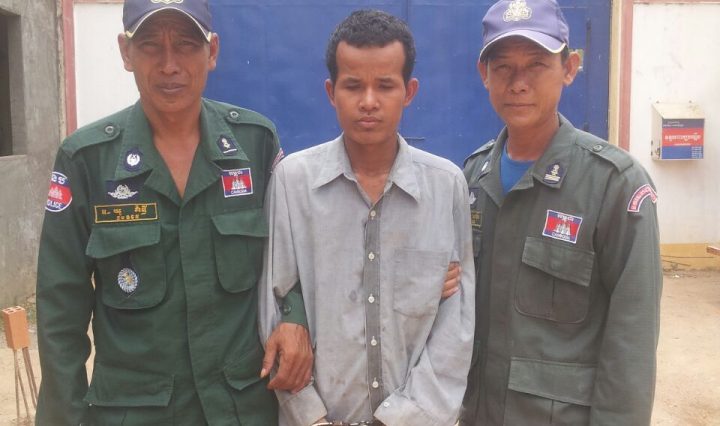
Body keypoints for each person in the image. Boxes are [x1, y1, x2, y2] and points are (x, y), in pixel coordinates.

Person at [35, 1, 313, 424]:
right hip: (135, 412)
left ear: (212, 51)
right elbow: (61, 310)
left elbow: (293, 253)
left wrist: (294, 317)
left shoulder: (254, 143)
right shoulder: (86, 159)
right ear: (126, 52)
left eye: (186, 44)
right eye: (151, 45)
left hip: (240, 408)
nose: (169, 65)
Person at [259, 9, 475, 426]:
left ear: (409, 91)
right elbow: (275, 307)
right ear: (331, 91)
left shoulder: (446, 186)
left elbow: (456, 329)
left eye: (386, 86)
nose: (369, 102)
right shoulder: (293, 183)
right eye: (353, 85)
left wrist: (399, 419)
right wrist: (311, 418)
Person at [459, 0, 662, 424]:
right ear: (484, 75)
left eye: (536, 65)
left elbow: (632, 341)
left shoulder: (613, 184)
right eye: (503, 67)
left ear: (569, 68)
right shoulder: (473, 178)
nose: (518, 84)